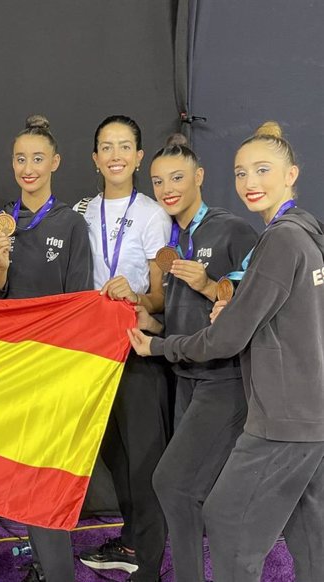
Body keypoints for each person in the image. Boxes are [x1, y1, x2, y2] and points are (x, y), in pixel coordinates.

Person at [128, 121, 324, 582]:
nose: (250, 183)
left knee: (227, 523)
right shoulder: (303, 236)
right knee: (308, 529)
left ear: (291, 174)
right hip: (301, 411)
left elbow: (228, 337)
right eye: (240, 173)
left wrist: (162, 345)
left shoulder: (280, 239)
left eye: (262, 170)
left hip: (280, 415)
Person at [136, 134, 256, 582]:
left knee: (172, 484)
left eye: (178, 178)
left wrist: (210, 285)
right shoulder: (170, 238)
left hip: (223, 379)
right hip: (184, 378)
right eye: (158, 180)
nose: (167, 188)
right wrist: (149, 322)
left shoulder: (233, 230)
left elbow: (248, 301)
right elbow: (177, 313)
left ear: (200, 177)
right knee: (189, 491)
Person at [0, 114, 93, 582]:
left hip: (51, 367)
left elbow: (81, 301)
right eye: (21, 159)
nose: (29, 167)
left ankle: (56, 571)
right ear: (12, 164)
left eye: (38, 159)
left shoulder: (71, 225)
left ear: (56, 163)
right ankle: (43, 563)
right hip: (9, 366)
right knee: (20, 474)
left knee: (46, 474)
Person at [76, 115, 171, 582]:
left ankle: (149, 567)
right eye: (106, 147)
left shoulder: (153, 214)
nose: (115, 155)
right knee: (113, 454)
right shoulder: (80, 213)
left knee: (145, 460)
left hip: (135, 349)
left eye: (125, 146)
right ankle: (132, 539)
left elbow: (160, 295)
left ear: (138, 156)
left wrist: (136, 296)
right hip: (92, 353)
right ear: (95, 159)